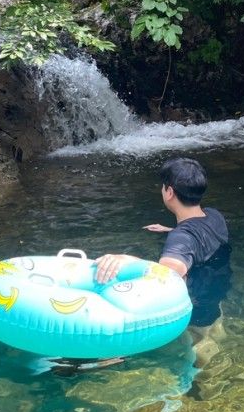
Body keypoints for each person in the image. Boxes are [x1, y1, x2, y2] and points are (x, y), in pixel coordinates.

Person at [95, 157, 231, 367]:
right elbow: (201, 237)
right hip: (214, 309)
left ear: (169, 192)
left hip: (190, 321)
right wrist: (172, 230)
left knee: (101, 359)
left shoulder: (182, 238)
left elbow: (168, 275)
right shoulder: (215, 216)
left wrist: (128, 259)